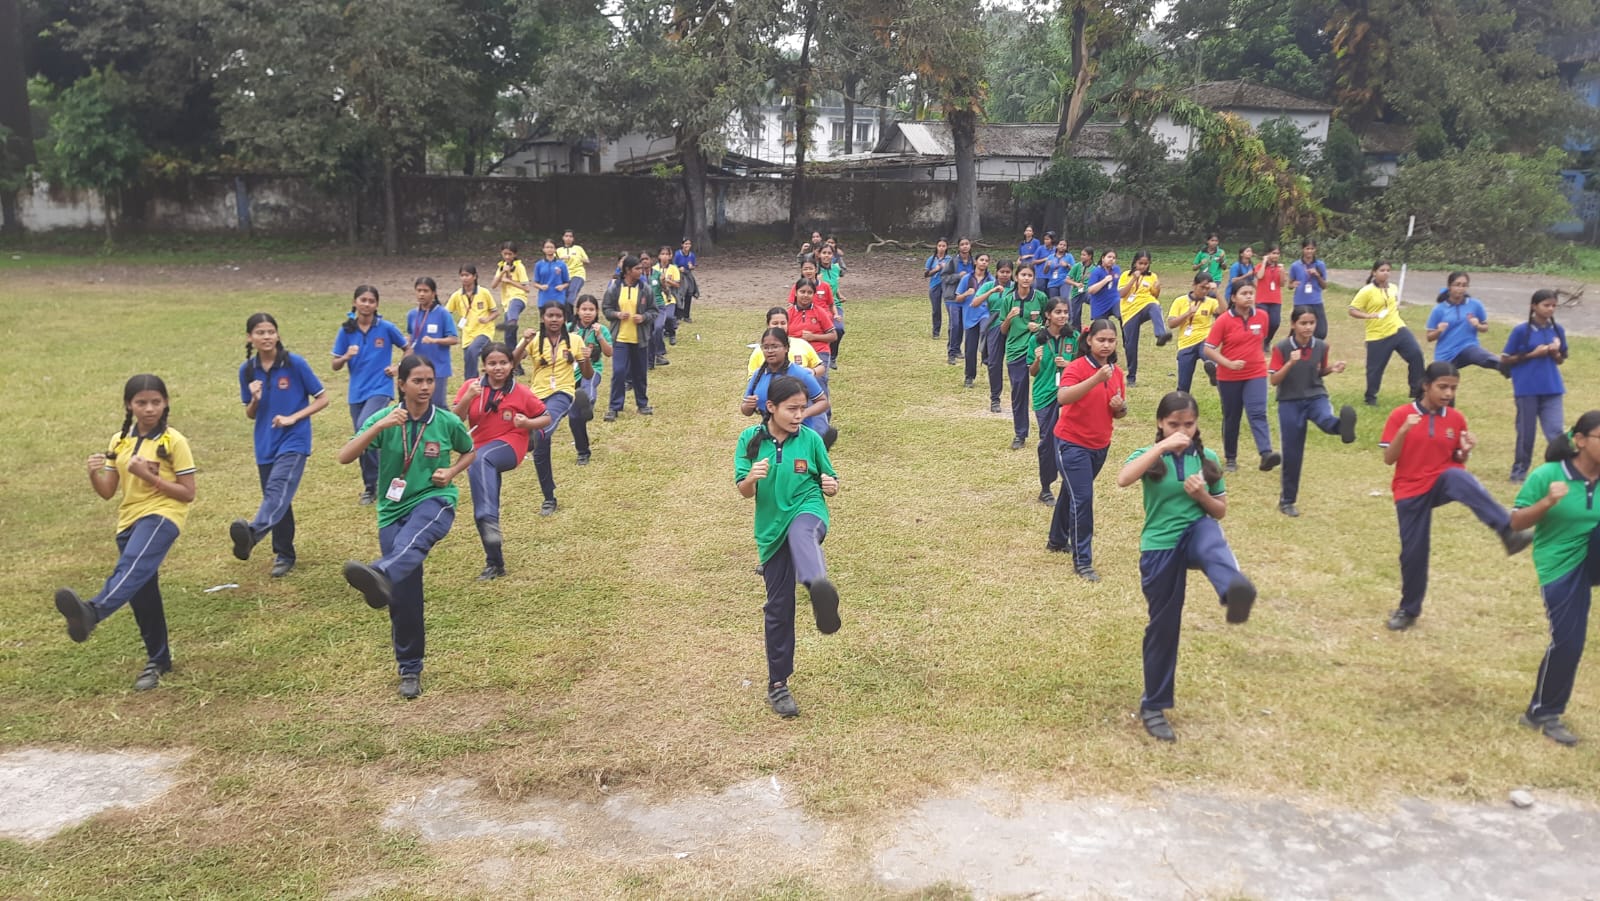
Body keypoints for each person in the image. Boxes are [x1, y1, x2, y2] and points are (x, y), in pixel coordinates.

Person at [1116, 390, 1256, 742]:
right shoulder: (1149, 456)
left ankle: (1233, 590)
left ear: (1196, 425)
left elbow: (1220, 510)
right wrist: (1161, 448)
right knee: (1164, 626)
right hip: (1159, 546)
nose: (1182, 431)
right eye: (1173, 424)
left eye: (1189, 425)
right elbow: (1123, 478)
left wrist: (1202, 496)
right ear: (1160, 424)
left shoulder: (1207, 459)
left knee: (1209, 534)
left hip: (1195, 534)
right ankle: (1153, 705)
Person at [338, 355, 475, 699]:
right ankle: (409, 668)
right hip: (391, 510)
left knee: (413, 540)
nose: (426, 387)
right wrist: (378, 428)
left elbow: (469, 451)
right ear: (401, 384)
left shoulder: (445, 420)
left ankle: (380, 572)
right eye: (418, 381)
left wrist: (452, 472)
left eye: (430, 380)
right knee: (403, 593)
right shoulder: (385, 418)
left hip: (435, 500)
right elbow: (345, 456)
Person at [53, 375, 197, 691]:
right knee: (141, 592)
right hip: (128, 523)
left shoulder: (174, 441)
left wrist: (150, 477)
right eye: (141, 403)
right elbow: (107, 491)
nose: (149, 409)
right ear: (129, 405)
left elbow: (188, 493)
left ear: (166, 403)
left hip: (162, 516)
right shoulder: (119, 441)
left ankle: (92, 612)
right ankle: (158, 660)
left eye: (156, 402)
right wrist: (93, 473)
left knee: (130, 568)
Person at [1379, 362, 1533, 631]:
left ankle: (1508, 530)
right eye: (1443, 387)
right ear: (1426, 386)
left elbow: (1457, 460)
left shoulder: (1456, 419)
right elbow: (1389, 459)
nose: (1448, 393)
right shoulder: (1401, 414)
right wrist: (1403, 430)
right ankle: (1408, 610)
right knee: (1414, 552)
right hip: (1410, 489)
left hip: (1442, 482)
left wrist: (1465, 451)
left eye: (1453, 388)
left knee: (1457, 476)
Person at [735, 375, 841, 719]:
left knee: (801, 532)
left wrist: (831, 485)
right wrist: (752, 478)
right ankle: (778, 684)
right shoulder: (750, 439)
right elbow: (743, 490)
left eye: (803, 408)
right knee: (779, 608)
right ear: (771, 407)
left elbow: (830, 479)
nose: (799, 415)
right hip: (770, 531)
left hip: (809, 510)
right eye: (792, 409)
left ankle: (817, 584)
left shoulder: (811, 439)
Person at [1509, 411, 1600, 746]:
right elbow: (1516, 523)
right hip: (1562, 565)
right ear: (1580, 440)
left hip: (1594, 556)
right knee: (1569, 641)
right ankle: (1542, 712)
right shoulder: (1548, 474)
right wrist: (1548, 501)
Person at [230, 312, 329, 577]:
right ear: (250, 337)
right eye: (260, 332)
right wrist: (255, 399)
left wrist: (293, 418)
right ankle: (285, 553)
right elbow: (250, 414)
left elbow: (322, 399)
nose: (266, 337)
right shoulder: (247, 370)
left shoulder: (294, 363)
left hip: (294, 440)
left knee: (277, 490)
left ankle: (253, 534)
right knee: (277, 499)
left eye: (271, 332)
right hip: (265, 443)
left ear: (278, 335)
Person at [453, 343, 550, 580]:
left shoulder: (521, 392)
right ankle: (495, 563)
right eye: (492, 363)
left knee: (481, 461)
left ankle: (487, 518)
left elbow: (545, 417)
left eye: (503, 363)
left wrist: (527, 424)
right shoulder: (471, 386)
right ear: (484, 366)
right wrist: (468, 397)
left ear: (511, 365)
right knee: (484, 503)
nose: (498, 368)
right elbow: (455, 420)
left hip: (511, 444)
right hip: (479, 450)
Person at [1046, 319, 1126, 582]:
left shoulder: (1117, 373)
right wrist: (1095, 379)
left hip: (1100, 445)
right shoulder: (1077, 367)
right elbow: (1063, 397)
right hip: (1071, 444)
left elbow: (1120, 411)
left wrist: (1119, 407)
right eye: (1101, 340)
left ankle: (1057, 539)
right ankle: (1083, 561)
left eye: (1111, 340)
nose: (1106, 345)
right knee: (1082, 499)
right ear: (1089, 340)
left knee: (1072, 491)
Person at [1268, 306, 1358, 517]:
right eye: (1303, 323)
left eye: (1311, 323)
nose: (1308, 327)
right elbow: (1274, 380)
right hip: (1289, 401)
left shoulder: (1321, 346)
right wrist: (1290, 363)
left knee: (1326, 419)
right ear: (1293, 324)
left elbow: (1319, 371)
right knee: (1292, 453)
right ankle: (1287, 501)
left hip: (1315, 395)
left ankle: (1343, 427)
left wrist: (1331, 368)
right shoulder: (1281, 348)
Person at [515, 302, 595, 516]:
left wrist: (586, 359)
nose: (554, 319)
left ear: (564, 319)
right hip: (536, 396)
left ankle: (531, 435)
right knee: (542, 447)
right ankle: (549, 497)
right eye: (549, 315)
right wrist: (523, 341)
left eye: (558, 316)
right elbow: (512, 363)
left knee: (544, 426)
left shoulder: (575, 340)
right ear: (543, 318)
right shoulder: (534, 340)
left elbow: (587, 375)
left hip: (562, 392)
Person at [333, 285, 410, 506]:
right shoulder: (346, 331)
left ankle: (380, 481)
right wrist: (346, 356)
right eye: (363, 300)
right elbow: (335, 364)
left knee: (363, 428)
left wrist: (398, 367)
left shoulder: (385, 328)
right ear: (355, 302)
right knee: (366, 438)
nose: (366, 304)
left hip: (380, 389)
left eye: (371, 301)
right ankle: (371, 486)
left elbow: (408, 348)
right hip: (356, 393)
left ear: (376, 305)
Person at [1203, 283, 1282, 473]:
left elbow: (1261, 339)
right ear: (1233, 298)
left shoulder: (1262, 316)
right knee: (1232, 416)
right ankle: (1231, 458)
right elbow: (1208, 349)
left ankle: (1266, 454)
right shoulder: (1224, 320)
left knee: (1257, 412)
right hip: (1229, 376)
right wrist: (1227, 363)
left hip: (1256, 373)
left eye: (1251, 293)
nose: (1248, 296)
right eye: (1244, 293)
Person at [1502, 289, 1568, 484]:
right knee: (1526, 433)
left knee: (1555, 431)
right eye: (1546, 305)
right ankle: (1519, 472)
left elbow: (1561, 359)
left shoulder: (1558, 330)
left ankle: (1565, 471)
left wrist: (1555, 353)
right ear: (1534, 306)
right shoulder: (1521, 331)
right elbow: (1505, 359)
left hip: (1552, 387)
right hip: (1527, 388)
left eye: (1554, 306)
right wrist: (1533, 354)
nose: (1550, 309)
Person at [1349, 260, 1424, 407]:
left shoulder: (1393, 288)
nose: (1385, 273)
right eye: (1382, 270)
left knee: (1416, 355)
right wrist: (1368, 316)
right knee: (1375, 369)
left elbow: (1393, 305)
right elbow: (1352, 310)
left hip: (1398, 328)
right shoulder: (1367, 291)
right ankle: (1370, 397)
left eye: (1388, 270)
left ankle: (1418, 393)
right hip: (1378, 334)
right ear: (1374, 272)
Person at [1028, 297, 1078, 506]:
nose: (1063, 316)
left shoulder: (1073, 337)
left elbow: (1081, 366)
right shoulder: (1037, 340)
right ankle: (1046, 488)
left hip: (1068, 393)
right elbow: (1032, 372)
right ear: (1048, 315)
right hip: (1044, 395)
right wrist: (1037, 360)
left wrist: (1068, 364)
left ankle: (1071, 484)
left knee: (1070, 441)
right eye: (1058, 312)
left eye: (1065, 312)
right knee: (1047, 442)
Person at [743, 327, 833, 444]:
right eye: (766, 347)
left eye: (775, 346)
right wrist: (748, 405)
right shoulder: (758, 375)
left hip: (799, 437)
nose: (770, 351)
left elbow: (823, 402)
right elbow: (746, 411)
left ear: (786, 348)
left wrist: (803, 413)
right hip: (769, 438)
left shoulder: (801, 373)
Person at [601, 255, 656, 421]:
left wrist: (644, 317)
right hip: (620, 338)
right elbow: (606, 309)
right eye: (637, 268)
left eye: (641, 268)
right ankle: (614, 407)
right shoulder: (615, 288)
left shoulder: (646, 289)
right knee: (619, 372)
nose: (641, 271)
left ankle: (642, 404)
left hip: (640, 339)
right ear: (627, 270)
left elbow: (654, 311)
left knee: (640, 373)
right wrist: (617, 314)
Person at [1001, 264, 1047, 449]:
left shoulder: (1041, 297)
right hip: (1015, 350)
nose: (1026, 278)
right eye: (1023, 275)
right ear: (1016, 277)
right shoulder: (1008, 299)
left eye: (1029, 275)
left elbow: (1050, 321)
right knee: (1019, 393)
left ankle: (1047, 433)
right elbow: (1003, 330)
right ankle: (1020, 434)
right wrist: (1009, 318)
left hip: (1037, 349)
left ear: (1033, 278)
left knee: (1045, 390)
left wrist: (1040, 327)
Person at [568, 295, 613, 466]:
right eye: (584, 309)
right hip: (571, 374)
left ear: (597, 312)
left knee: (587, 391)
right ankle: (582, 452)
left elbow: (609, 353)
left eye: (591, 309)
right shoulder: (569, 328)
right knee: (574, 417)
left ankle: (589, 404)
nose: (587, 313)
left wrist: (599, 336)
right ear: (577, 311)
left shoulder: (601, 329)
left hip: (592, 370)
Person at [1117, 250, 1172, 386]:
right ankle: (1131, 377)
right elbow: (1122, 294)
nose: (1143, 266)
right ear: (1135, 263)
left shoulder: (1152, 276)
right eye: (1140, 263)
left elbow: (1155, 296)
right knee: (1131, 345)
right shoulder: (1126, 275)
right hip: (1129, 312)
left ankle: (1160, 334)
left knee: (1155, 306)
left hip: (1145, 305)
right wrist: (1133, 279)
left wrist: (1157, 289)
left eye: (1146, 264)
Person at [1425, 272, 1498, 372]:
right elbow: (1429, 337)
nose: (1460, 288)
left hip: (1468, 348)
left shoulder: (1475, 305)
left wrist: (1478, 325)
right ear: (1449, 286)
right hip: (1446, 355)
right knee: (1439, 377)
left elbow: (1485, 328)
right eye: (1457, 285)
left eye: (1464, 285)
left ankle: (1506, 366)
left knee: (1481, 356)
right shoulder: (1439, 309)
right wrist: (1439, 331)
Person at [406, 277, 460, 407]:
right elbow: (411, 336)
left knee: (437, 404)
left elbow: (454, 339)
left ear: (433, 293)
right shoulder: (412, 314)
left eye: (425, 291)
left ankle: (451, 420)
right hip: (417, 367)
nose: (421, 294)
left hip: (438, 367)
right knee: (418, 403)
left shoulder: (443, 314)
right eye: (419, 290)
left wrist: (435, 340)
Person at [445, 264, 500, 383]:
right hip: (467, 334)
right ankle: (473, 383)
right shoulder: (457, 295)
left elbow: (496, 312)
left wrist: (487, 319)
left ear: (475, 276)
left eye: (467, 275)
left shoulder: (484, 292)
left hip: (484, 331)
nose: (464, 278)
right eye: (462, 275)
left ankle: (471, 382)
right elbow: (446, 313)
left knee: (473, 351)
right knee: (469, 360)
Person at [1167, 273, 1221, 394]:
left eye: (1207, 289)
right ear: (1194, 285)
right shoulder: (1180, 301)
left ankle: (1214, 371)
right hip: (1186, 343)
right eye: (1202, 287)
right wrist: (1187, 314)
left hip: (1204, 338)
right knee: (1183, 384)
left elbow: (1224, 311)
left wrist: (1217, 293)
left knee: (1207, 352)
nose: (1204, 291)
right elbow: (1171, 324)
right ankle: (1181, 401)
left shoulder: (1211, 302)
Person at [787, 280, 838, 399]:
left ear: (814, 295)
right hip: (796, 354)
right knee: (793, 385)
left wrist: (813, 337)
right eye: (802, 292)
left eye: (809, 292)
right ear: (796, 293)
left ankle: (822, 410)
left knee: (818, 383)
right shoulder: (788, 313)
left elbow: (833, 335)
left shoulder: (820, 312)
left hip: (819, 352)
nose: (805, 295)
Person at [957, 253, 998, 390]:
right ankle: (969, 376)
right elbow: (957, 298)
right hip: (969, 317)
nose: (984, 262)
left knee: (985, 330)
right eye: (981, 260)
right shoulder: (966, 279)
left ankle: (986, 356)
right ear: (975, 262)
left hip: (985, 313)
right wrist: (966, 294)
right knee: (970, 349)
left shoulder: (991, 280)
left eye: (986, 260)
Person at [749, 306, 825, 379]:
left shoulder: (802, 344)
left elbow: (820, 367)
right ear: (768, 325)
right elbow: (752, 378)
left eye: (783, 323)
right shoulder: (759, 351)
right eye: (775, 323)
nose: (779, 327)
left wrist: (813, 371)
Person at [981, 259, 1015, 412]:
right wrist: (991, 292)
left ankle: (1017, 398)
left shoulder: (1016, 287)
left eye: (1008, 272)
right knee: (994, 363)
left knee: (1015, 363)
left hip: (1014, 327)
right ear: (997, 272)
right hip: (995, 327)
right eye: (1002, 271)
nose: (1005, 275)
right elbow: (975, 302)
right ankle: (995, 399)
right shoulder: (989, 285)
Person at [1286, 239, 1329, 339]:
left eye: (1312, 249)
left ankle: (1312, 346)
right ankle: (1290, 345)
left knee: (1321, 332)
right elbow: (1289, 285)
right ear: (1302, 249)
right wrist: (1293, 285)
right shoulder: (1295, 266)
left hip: (1316, 301)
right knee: (1298, 330)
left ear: (1315, 249)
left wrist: (1317, 275)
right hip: (1300, 301)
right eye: (1307, 248)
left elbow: (1324, 286)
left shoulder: (1320, 265)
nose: (1309, 251)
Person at [943, 237, 976, 363]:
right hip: (952, 297)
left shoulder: (973, 262)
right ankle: (951, 353)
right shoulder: (953, 261)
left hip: (967, 298)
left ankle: (957, 349)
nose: (965, 246)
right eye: (962, 244)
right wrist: (958, 276)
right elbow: (944, 277)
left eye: (967, 244)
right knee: (955, 324)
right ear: (958, 247)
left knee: (962, 324)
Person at [491, 242, 530, 346]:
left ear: (515, 254)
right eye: (505, 254)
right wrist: (503, 272)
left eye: (510, 254)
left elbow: (527, 288)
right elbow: (493, 285)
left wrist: (510, 281)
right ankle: (512, 353)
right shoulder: (501, 266)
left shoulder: (519, 266)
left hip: (519, 297)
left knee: (513, 308)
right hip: (506, 302)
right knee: (509, 336)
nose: (507, 257)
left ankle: (512, 323)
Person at [650, 245, 682, 367]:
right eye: (662, 254)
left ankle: (671, 333)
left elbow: (677, 284)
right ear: (658, 256)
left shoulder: (673, 269)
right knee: (656, 328)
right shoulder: (653, 269)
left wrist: (666, 281)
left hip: (669, 300)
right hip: (655, 301)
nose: (664, 256)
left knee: (668, 317)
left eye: (666, 254)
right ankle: (658, 351)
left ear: (670, 256)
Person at [817, 243, 846, 368]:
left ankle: (832, 357)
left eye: (829, 253)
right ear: (819, 254)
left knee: (839, 329)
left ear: (833, 255)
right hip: (819, 306)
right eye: (824, 253)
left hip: (835, 305)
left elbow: (835, 285)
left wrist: (839, 295)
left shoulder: (836, 269)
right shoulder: (815, 270)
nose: (826, 255)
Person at [1254, 244, 1284, 348]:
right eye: (1273, 253)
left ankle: (1267, 341)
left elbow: (1282, 284)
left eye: (1277, 253)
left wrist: (1282, 272)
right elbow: (1259, 276)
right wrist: (1264, 262)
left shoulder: (1279, 267)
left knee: (1275, 323)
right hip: (1261, 299)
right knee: (1262, 322)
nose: (1276, 255)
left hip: (1275, 300)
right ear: (1268, 254)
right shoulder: (1259, 266)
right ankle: (1259, 342)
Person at [531, 238, 571, 312]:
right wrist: (541, 287)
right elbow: (535, 283)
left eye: (551, 247)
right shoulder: (539, 265)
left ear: (555, 249)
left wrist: (562, 286)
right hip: (544, 297)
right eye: (547, 247)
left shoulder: (562, 264)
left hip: (558, 297)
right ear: (543, 249)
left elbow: (567, 282)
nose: (549, 249)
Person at [1083, 250, 1122, 324]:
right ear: (1103, 258)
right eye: (1109, 257)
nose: (1111, 259)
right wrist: (1104, 281)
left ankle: (1127, 332)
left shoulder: (1117, 269)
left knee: (1123, 316)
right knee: (1101, 326)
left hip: (1114, 300)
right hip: (1100, 304)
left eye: (1114, 258)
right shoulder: (1096, 271)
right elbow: (1090, 290)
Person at [924, 237, 952, 339]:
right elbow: (926, 274)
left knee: (950, 309)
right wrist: (937, 269)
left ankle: (952, 332)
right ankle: (936, 332)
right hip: (934, 285)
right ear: (936, 247)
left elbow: (953, 273)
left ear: (946, 247)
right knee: (936, 310)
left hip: (947, 285)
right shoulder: (931, 259)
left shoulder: (950, 259)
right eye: (939, 246)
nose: (941, 248)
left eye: (943, 246)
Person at [557, 230, 591, 307]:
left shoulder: (578, 248)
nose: (568, 238)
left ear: (573, 239)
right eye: (566, 236)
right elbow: (553, 264)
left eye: (570, 236)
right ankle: (566, 311)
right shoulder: (558, 250)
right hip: (564, 275)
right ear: (563, 238)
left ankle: (568, 309)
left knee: (572, 291)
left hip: (578, 273)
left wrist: (578, 258)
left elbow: (587, 261)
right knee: (564, 295)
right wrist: (561, 259)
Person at [673, 237, 699, 322]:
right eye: (686, 244)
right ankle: (678, 316)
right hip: (680, 276)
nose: (687, 245)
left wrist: (692, 267)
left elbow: (694, 266)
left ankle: (686, 316)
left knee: (689, 294)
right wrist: (678, 268)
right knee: (680, 295)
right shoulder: (677, 254)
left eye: (689, 244)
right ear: (682, 245)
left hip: (688, 276)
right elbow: (673, 265)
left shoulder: (692, 255)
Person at [1066, 246, 1092, 332]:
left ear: (1090, 256)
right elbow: (1067, 279)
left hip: (1087, 292)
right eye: (1081, 255)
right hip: (1076, 293)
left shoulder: (1094, 268)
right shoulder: (1077, 266)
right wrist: (1076, 284)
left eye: (1084, 255)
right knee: (1075, 317)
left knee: (1094, 300)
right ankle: (1076, 333)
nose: (1082, 257)